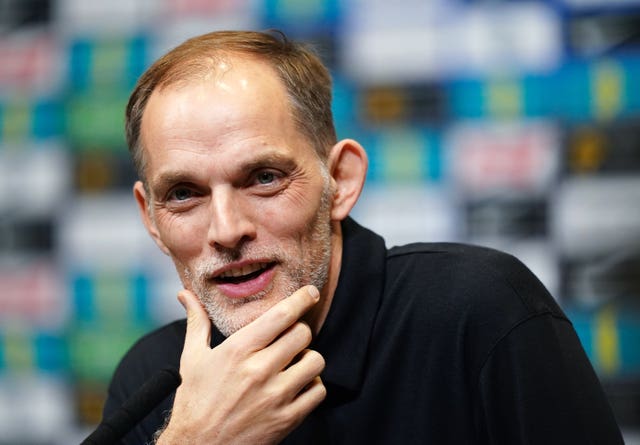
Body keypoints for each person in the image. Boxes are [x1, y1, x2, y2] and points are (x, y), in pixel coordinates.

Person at [103, 30, 624, 444]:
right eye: (184, 194)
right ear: (152, 219)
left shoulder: (477, 311)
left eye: (263, 178)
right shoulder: (152, 381)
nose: (225, 230)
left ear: (342, 182)